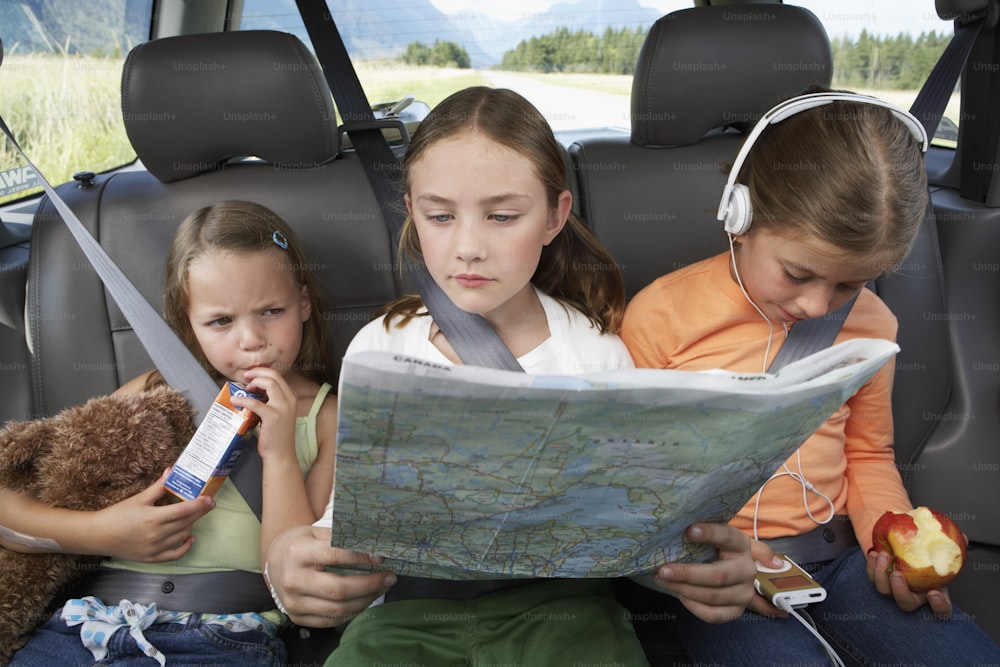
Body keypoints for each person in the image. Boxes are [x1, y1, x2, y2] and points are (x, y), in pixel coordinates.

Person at [262, 86, 759, 667]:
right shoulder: (380, 348)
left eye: (502, 217)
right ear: (411, 210)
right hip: (404, 613)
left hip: (566, 611)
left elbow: (632, 529)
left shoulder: (594, 351)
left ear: (555, 216)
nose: (468, 247)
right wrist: (289, 568)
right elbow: (343, 517)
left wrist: (692, 572)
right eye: (440, 216)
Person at [621, 89, 1000, 665]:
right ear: (739, 215)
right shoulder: (660, 317)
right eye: (798, 273)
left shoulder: (873, 325)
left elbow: (870, 455)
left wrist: (891, 546)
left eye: (850, 284)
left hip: (841, 554)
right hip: (719, 566)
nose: (820, 306)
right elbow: (635, 480)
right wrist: (700, 568)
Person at [4, 200, 338, 666]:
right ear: (187, 325)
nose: (250, 339)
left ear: (303, 304)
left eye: (271, 311)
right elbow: (9, 511)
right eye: (221, 321)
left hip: (223, 638)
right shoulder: (154, 393)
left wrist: (279, 454)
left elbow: (294, 581)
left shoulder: (326, 418)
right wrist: (101, 533)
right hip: (84, 626)